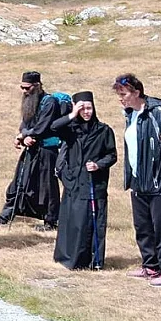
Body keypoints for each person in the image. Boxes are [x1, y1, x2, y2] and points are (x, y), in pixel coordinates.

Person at [114, 73, 161, 287]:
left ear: (137, 92)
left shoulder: (157, 111)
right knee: (143, 226)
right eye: (119, 95)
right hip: (139, 181)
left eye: (124, 94)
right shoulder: (130, 114)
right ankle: (151, 266)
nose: (121, 98)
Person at [50, 92, 117, 270]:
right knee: (72, 222)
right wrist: (72, 114)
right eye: (82, 109)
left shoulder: (104, 130)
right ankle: (68, 256)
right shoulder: (71, 130)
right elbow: (53, 127)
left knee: (89, 222)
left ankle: (92, 260)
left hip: (93, 183)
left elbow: (112, 155)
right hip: (73, 183)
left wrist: (98, 165)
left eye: (89, 108)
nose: (86, 112)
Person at [0, 71, 60, 231]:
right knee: (18, 182)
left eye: (27, 88)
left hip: (48, 150)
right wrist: (21, 136)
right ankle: (6, 214)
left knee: (48, 187)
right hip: (32, 148)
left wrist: (26, 135)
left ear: (37, 86)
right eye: (22, 88)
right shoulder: (29, 101)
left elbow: (42, 126)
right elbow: (26, 123)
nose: (25, 91)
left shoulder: (50, 102)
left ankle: (51, 221)